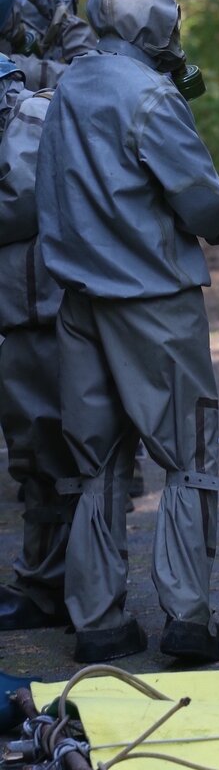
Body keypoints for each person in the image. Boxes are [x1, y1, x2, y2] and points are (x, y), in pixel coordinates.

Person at [36, 0, 219, 664]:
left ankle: (98, 620)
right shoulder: (151, 98)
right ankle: (187, 618)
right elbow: (196, 195)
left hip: (78, 301)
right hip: (151, 302)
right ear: (160, 22)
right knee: (187, 454)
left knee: (96, 459)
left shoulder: (71, 84)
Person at [0, 54, 75, 630]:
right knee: (32, 456)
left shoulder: (29, 117)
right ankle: (44, 580)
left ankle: (62, 588)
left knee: (53, 452)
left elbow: (22, 200)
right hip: (22, 317)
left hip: (43, 318)